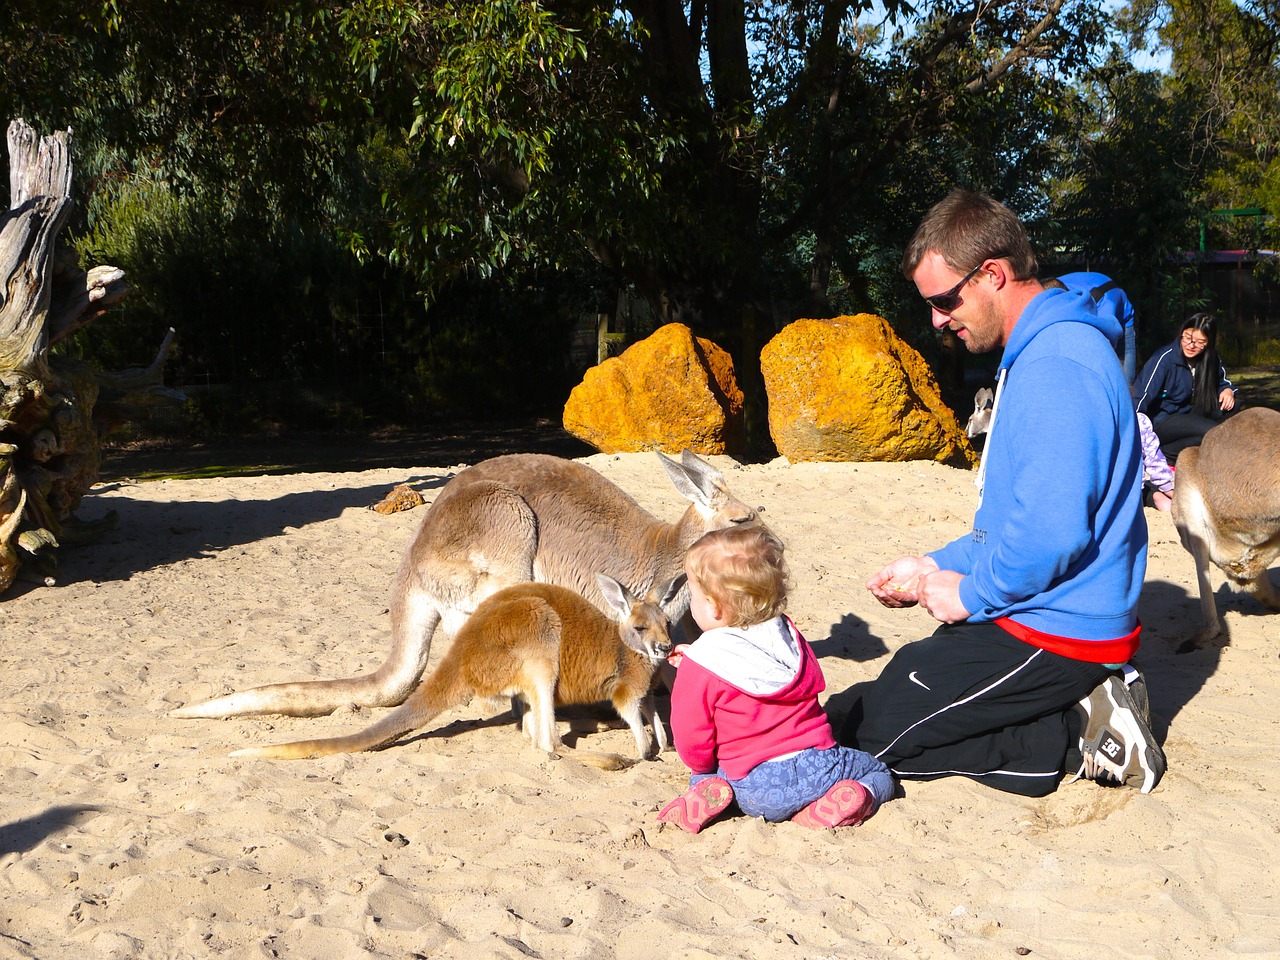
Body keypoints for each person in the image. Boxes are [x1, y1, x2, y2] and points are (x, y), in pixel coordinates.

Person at [837, 188, 1165, 795]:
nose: (937, 319)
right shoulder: (1036, 352)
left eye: (943, 300)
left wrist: (972, 591)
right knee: (885, 690)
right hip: (1028, 608)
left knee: (877, 738)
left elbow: (1052, 536)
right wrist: (936, 564)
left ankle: (1074, 734)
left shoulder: (1057, 367)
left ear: (993, 274)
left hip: (1062, 631)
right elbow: (1017, 523)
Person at [656, 526, 895, 833]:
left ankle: (706, 793)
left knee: (706, 773)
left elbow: (691, 733)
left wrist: (701, 769)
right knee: (877, 774)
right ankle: (848, 800)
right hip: (820, 766)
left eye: (694, 594)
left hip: (753, 785)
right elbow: (812, 683)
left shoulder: (701, 663)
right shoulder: (788, 636)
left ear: (713, 606)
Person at [1134, 313, 1236, 462]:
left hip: (1192, 412)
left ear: (1208, 342)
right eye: (1188, 337)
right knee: (1214, 432)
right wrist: (1132, 430)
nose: (1191, 345)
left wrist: (1228, 391)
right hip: (1165, 419)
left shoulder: (1211, 358)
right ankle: (1161, 453)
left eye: (1200, 341)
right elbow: (1141, 395)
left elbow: (1223, 381)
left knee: (1234, 409)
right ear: (1182, 333)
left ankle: (1177, 451)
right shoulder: (1165, 358)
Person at [1056, 271, 1138, 385]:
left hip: (1120, 318)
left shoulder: (1106, 306)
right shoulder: (1051, 289)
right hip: (1096, 296)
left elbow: (1104, 349)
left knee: (1125, 378)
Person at [1137, 412, 1175, 511]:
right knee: (1150, 487)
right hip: (1134, 493)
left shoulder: (1095, 421)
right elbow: (1154, 460)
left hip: (1101, 492)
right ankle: (1158, 497)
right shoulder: (1139, 420)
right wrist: (1167, 488)